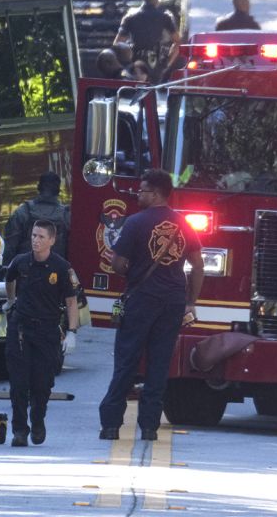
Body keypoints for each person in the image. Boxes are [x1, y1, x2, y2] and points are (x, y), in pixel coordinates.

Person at [98, 168, 204, 442]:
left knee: (127, 361)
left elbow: (118, 264)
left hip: (141, 299)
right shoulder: (184, 224)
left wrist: (127, 268)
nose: (138, 194)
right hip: (172, 303)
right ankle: (149, 427)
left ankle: (111, 424)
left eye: (142, 190)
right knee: (159, 365)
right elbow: (198, 264)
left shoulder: (135, 223)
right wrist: (191, 301)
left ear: (155, 193)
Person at [4, 219, 80, 447]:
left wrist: (72, 332)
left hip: (47, 330)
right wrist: (10, 302)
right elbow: (9, 280)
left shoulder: (61, 268)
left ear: (52, 240)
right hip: (20, 328)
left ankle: (37, 421)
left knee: (42, 383)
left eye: (41, 237)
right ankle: (19, 430)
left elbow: (71, 302)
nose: (36, 241)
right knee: (18, 383)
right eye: (34, 236)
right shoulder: (21, 262)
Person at [112, 0, 180, 83]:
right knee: (152, 92)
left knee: (133, 91)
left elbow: (117, 44)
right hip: (155, 62)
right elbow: (177, 41)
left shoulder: (130, 17)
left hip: (135, 60)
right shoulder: (165, 17)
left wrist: (125, 64)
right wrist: (167, 63)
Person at [3, 172, 70, 263]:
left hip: (25, 272)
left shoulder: (23, 212)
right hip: (56, 273)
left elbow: (10, 247)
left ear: (38, 187)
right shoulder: (67, 215)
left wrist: (7, 272)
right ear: (58, 190)